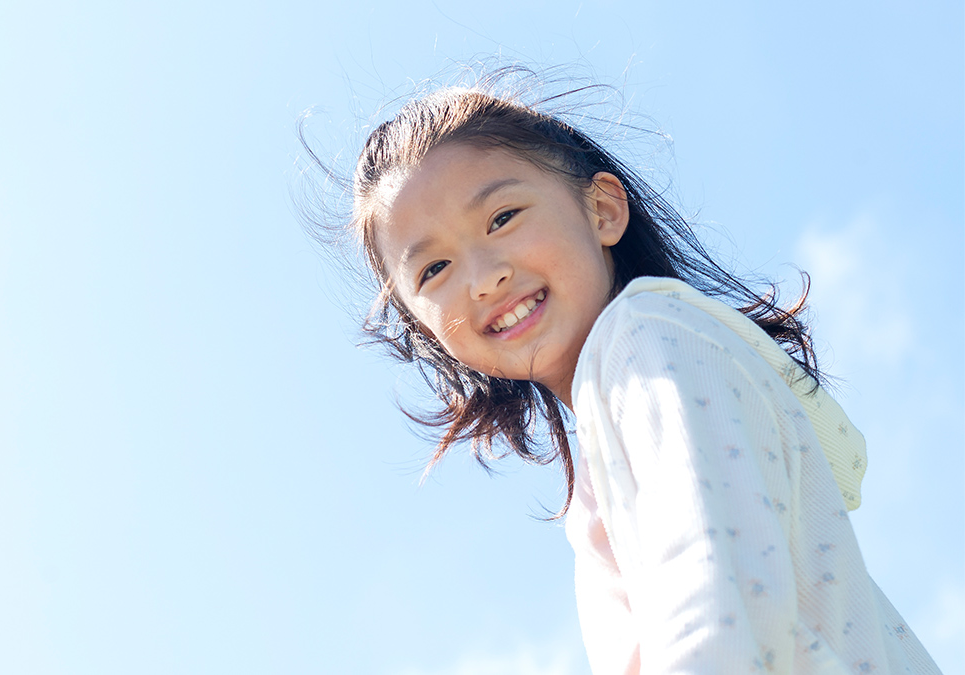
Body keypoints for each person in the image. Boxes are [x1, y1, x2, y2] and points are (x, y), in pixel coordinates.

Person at [306, 70, 942, 674]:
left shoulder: (646, 337)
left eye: (502, 218)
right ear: (426, 331)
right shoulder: (623, 400)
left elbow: (717, 597)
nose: (484, 277)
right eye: (434, 271)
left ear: (603, 209)